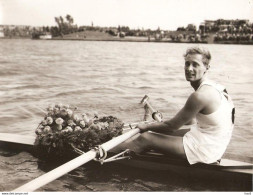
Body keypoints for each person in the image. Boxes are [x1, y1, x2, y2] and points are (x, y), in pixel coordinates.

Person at [120, 46, 235, 165]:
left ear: (206, 68)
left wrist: (146, 127)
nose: (189, 68)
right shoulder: (216, 87)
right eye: (187, 64)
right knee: (159, 132)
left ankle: (107, 155)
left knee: (145, 138)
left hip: (206, 151)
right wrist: (160, 126)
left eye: (195, 64)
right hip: (214, 144)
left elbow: (171, 127)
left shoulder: (199, 96)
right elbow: (189, 121)